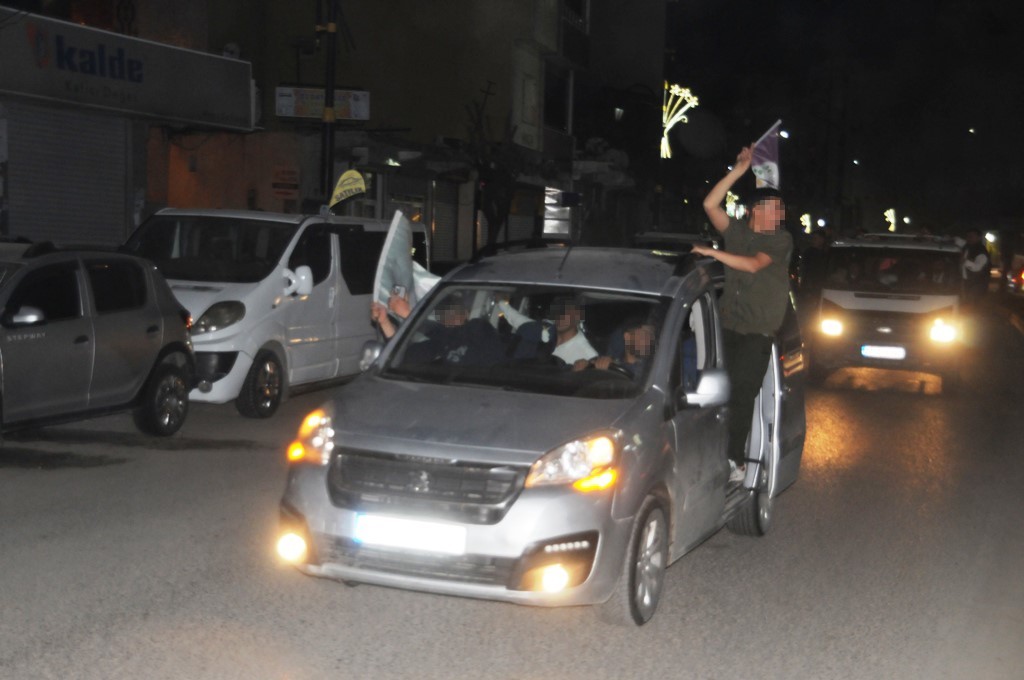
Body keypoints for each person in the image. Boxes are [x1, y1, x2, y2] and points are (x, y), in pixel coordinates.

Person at [691, 145, 793, 484]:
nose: (779, 215)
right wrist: (738, 170)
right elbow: (710, 205)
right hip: (727, 326)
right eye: (774, 209)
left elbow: (752, 265)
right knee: (713, 393)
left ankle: (735, 460)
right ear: (754, 211)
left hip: (756, 332)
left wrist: (713, 254)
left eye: (781, 210)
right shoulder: (736, 233)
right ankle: (710, 453)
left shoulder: (781, 240)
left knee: (740, 394)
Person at [498, 295, 598, 368]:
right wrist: (500, 301)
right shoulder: (543, 330)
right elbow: (516, 318)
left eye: (566, 314)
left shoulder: (587, 354)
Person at [590, 316, 656, 379]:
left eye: (651, 336)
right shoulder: (614, 360)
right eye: (644, 336)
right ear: (627, 337)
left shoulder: (651, 369)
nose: (649, 340)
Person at [961, 228, 991, 305]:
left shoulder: (980, 251)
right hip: (967, 282)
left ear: (979, 238)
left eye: (972, 236)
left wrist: (965, 261)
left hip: (977, 284)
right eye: (968, 236)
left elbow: (977, 267)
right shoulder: (967, 247)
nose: (969, 238)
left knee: (973, 305)